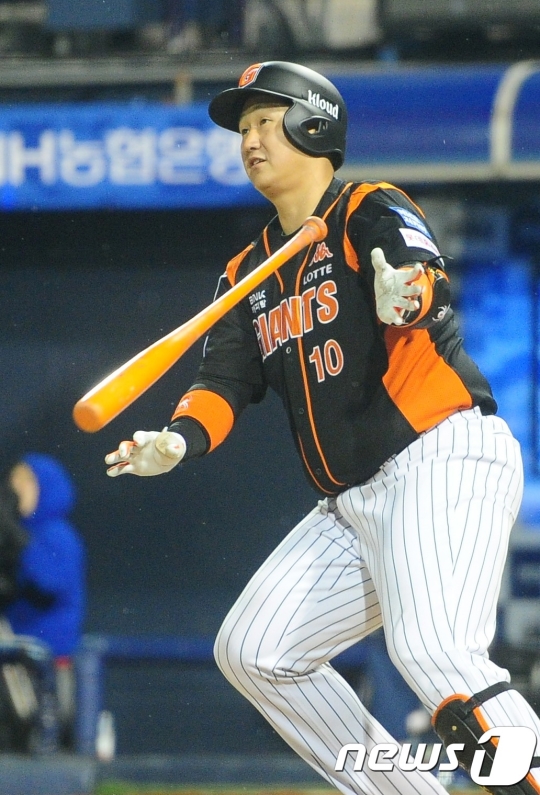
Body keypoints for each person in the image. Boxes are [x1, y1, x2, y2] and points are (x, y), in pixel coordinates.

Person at [104, 61, 540, 795]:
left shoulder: (368, 207)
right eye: (243, 128)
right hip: (352, 502)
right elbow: (223, 382)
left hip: (440, 456)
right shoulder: (248, 270)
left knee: (434, 650)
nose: (249, 140)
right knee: (255, 650)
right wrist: (177, 439)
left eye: (265, 122)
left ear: (314, 124)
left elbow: (420, 282)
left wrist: (404, 292)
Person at [4, 453, 86, 748]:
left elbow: (47, 584)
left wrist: (17, 542)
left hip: (50, 660)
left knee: (47, 738)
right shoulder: (24, 533)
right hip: (18, 656)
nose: (16, 488)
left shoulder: (57, 534)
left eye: (26, 481)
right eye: (14, 480)